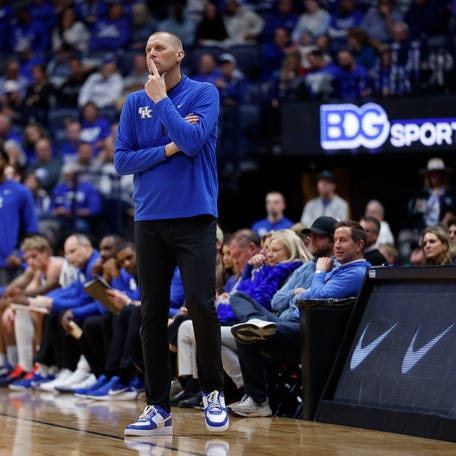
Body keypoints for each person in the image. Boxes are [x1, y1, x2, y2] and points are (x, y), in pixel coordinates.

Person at [114, 31, 229, 435]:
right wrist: (165, 150)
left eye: (159, 47)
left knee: (201, 305)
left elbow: (194, 142)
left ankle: (213, 392)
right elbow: (122, 161)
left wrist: (162, 100)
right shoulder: (132, 101)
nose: (152, 53)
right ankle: (157, 406)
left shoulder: (204, 93)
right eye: (146, 49)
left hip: (196, 216)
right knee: (150, 313)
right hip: (148, 219)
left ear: (179, 54)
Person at [229, 220, 370, 417]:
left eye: (343, 240)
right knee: (239, 300)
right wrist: (305, 291)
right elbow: (282, 300)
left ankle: (258, 401)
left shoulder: (355, 272)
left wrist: (319, 274)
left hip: (311, 331)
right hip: (293, 323)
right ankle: (256, 323)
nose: (337, 245)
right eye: (336, 240)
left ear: (359, 245)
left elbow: (312, 297)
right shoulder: (337, 267)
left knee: (245, 333)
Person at [0, 145, 39, 286]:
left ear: (5, 161)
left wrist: (21, 256)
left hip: (10, 262)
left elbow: (32, 228)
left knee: (8, 303)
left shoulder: (20, 192)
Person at [407, 157, 456, 234]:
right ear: (428, 175)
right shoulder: (422, 193)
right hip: (423, 229)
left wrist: (450, 217)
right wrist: (415, 207)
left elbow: (452, 210)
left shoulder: (450, 192)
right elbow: (411, 212)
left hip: (444, 229)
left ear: (442, 174)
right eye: (432, 173)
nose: (435, 176)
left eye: (437, 173)